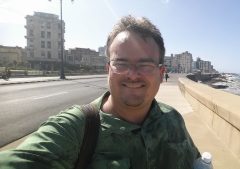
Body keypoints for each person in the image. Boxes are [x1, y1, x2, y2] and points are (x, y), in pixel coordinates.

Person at [0, 15, 201, 169]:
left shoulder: (173, 119)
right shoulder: (76, 129)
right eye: (121, 63)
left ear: (161, 73)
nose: (132, 75)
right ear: (108, 70)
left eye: (145, 65)